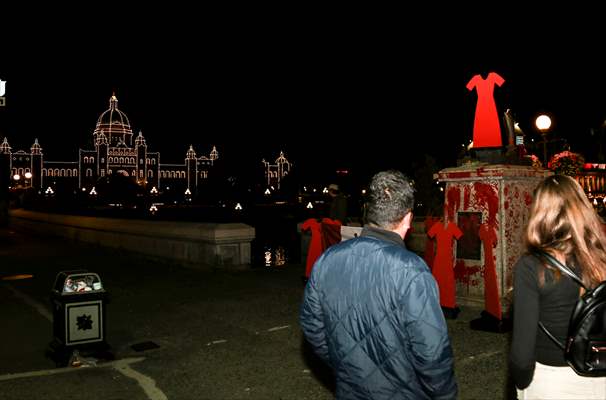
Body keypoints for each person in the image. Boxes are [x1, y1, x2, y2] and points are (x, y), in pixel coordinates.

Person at [300, 170, 457, 400]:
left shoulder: (326, 260)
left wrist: (345, 362)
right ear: (408, 218)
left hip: (349, 388)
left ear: (367, 212)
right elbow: (432, 353)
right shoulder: (413, 271)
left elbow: (312, 327)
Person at [510, 174, 606, 399]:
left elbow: (522, 354)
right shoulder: (601, 257)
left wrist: (521, 384)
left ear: (540, 212)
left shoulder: (532, 266)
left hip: (552, 380)